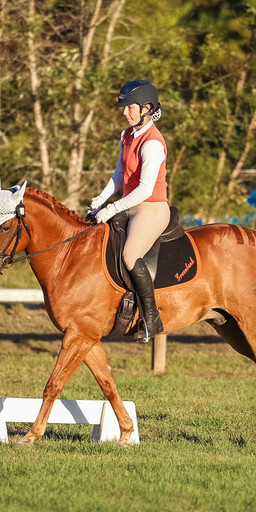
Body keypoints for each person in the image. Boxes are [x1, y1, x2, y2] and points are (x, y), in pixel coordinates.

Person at [89, 79, 170, 342]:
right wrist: (99, 201)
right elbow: (120, 174)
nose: (125, 113)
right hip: (129, 206)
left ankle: (151, 320)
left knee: (130, 254)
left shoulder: (153, 143)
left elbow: (145, 189)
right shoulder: (127, 135)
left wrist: (112, 208)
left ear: (146, 108)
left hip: (151, 209)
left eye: (129, 108)